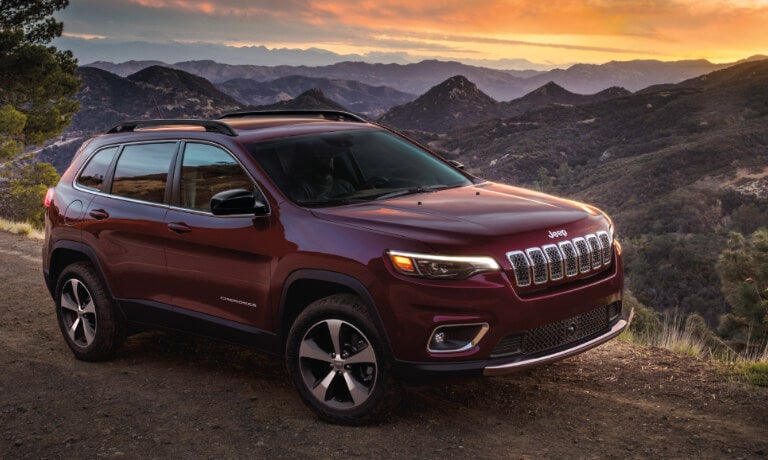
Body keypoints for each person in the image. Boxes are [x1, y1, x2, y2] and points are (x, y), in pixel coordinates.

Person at [289, 152, 354, 201]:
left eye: (330, 157)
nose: (329, 160)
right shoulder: (302, 189)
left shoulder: (345, 186)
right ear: (313, 160)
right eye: (323, 157)